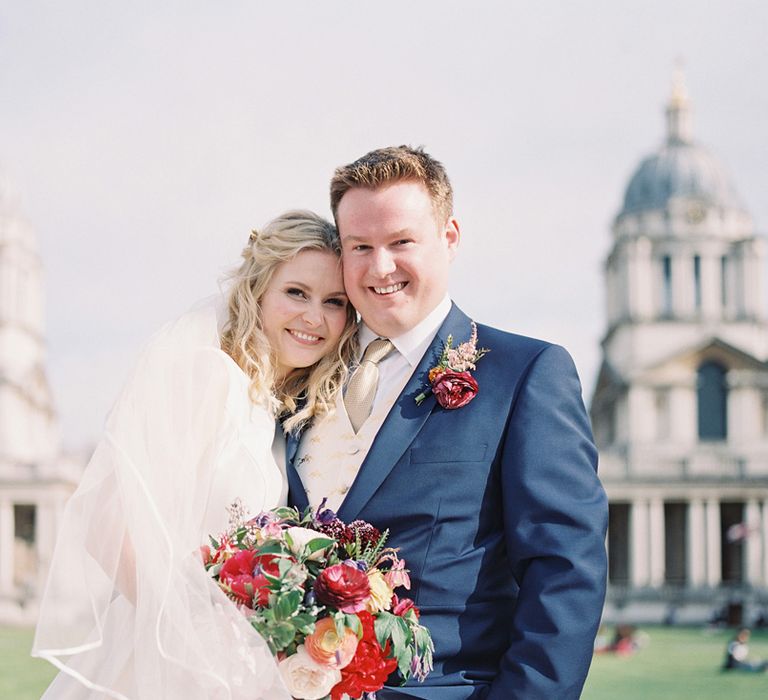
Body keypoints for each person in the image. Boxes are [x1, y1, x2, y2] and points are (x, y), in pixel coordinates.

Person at [287, 146, 609, 699]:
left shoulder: (526, 373)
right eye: (360, 246)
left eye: (401, 242)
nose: (380, 266)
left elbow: (565, 571)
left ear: (450, 237)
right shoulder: (294, 376)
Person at [32, 210, 357, 699]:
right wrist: (198, 640)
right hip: (166, 660)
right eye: (296, 292)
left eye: (334, 302)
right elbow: (106, 521)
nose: (314, 317)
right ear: (258, 291)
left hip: (239, 664)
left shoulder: (273, 415)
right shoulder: (209, 378)